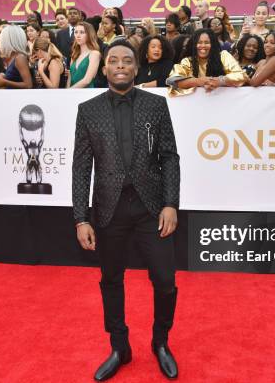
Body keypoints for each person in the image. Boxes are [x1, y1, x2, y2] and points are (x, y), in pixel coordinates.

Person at [73, 39, 181, 381]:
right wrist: (81, 218)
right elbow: (80, 167)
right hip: (108, 210)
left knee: (165, 281)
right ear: (104, 68)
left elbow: (169, 158)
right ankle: (119, 346)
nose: (120, 65)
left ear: (136, 68)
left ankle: (160, 342)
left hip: (151, 208)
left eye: (127, 60)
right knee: (111, 280)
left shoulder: (156, 105)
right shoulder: (88, 110)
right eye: (113, 60)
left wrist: (170, 204)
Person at [166, 28, 245, 96]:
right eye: (199, 42)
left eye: (207, 42)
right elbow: (174, 81)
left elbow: (241, 76)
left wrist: (220, 81)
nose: (203, 46)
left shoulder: (223, 56)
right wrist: (199, 81)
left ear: (213, 44)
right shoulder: (188, 61)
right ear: (194, 44)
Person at [67, 22, 101, 88]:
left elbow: (87, 80)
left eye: (82, 32)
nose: (78, 35)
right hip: (72, 94)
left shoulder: (94, 54)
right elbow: (69, 78)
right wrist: (67, 91)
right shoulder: (74, 55)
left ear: (89, 35)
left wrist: (69, 91)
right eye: (76, 32)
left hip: (87, 94)